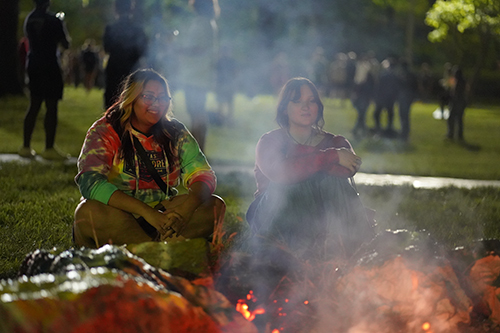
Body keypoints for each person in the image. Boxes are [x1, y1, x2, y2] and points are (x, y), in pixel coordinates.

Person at [73, 69, 225, 248]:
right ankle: (161, 252)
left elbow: (203, 175)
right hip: (120, 215)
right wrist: (146, 213)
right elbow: (90, 182)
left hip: (163, 215)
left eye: (162, 98)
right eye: (148, 97)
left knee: (215, 205)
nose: (157, 104)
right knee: (88, 212)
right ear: (131, 99)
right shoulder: (106, 131)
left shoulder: (175, 133)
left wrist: (186, 209)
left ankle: (145, 252)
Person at [246, 77, 374, 259]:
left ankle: (353, 249)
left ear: (318, 107)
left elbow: (347, 170)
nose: (305, 107)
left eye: (311, 101)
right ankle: (293, 254)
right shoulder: (270, 141)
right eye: (297, 101)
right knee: (293, 183)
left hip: (323, 220)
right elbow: (283, 174)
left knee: (332, 182)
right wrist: (332, 157)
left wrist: (299, 160)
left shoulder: (336, 142)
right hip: (274, 219)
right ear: (284, 108)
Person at [19, 0, 71, 160]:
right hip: (50, 65)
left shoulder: (29, 19)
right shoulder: (54, 20)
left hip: (33, 63)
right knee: (51, 105)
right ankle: (49, 148)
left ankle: (26, 146)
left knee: (34, 104)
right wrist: (63, 25)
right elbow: (65, 44)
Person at [176, 0, 219, 150]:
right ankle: (198, 149)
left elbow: (198, 48)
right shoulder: (207, 23)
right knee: (196, 112)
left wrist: (181, 50)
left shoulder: (203, 23)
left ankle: (197, 150)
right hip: (197, 75)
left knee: (197, 113)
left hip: (197, 75)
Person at [103, 0, 148, 109]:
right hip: (132, 70)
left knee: (112, 104)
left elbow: (106, 48)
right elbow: (144, 51)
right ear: (131, 9)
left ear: (116, 10)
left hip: (114, 69)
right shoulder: (138, 30)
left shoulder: (110, 29)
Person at [373, 57, 400, 137]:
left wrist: (376, 96)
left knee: (377, 113)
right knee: (390, 113)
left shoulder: (383, 75)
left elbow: (378, 87)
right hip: (390, 98)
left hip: (382, 97)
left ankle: (379, 128)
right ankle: (389, 128)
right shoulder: (395, 76)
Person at [397, 60, 418, 142]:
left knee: (404, 115)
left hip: (405, 97)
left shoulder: (404, 75)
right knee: (404, 115)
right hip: (406, 97)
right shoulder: (410, 75)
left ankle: (404, 133)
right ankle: (404, 132)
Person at [447, 66, 467, 141]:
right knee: (459, 120)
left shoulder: (457, 82)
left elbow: (455, 93)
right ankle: (459, 135)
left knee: (451, 119)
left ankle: (451, 134)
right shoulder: (463, 81)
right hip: (462, 102)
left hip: (456, 102)